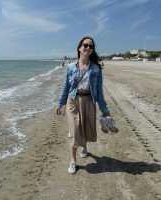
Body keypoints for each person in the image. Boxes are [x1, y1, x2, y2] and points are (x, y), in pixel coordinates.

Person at [55, 36, 110, 174]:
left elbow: (99, 91)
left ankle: (84, 146)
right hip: (72, 101)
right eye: (85, 45)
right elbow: (65, 87)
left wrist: (104, 109)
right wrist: (59, 103)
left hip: (88, 101)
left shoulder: (96, 68)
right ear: (79, 47)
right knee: (74, 131)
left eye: (91, 46)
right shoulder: (70, 67)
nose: (88, 48)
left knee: (84, 128)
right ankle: (73, 161)